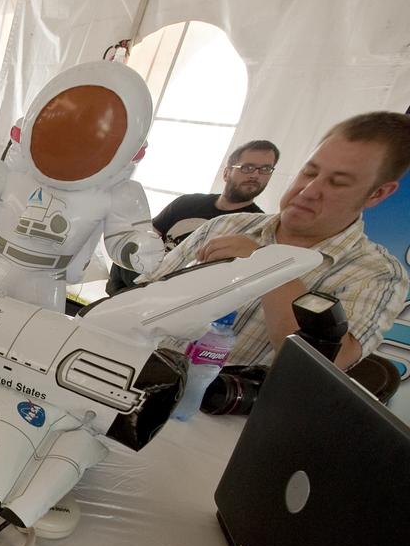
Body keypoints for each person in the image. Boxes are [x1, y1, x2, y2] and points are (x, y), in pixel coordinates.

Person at [144, 112, 410, 370]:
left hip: (219, 410)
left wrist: (265, 265)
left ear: (377, 194)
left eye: (337, 183)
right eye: (309, 172)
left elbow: (319, 363)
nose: (308, 191)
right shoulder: (227, 225)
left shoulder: (378, 275)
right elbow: (142, 297)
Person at [107, 139, 279, 294]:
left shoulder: (256, 227)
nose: (256, 175)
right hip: (143, 276)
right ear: (226, 173)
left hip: (181, 291)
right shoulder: (188, 203)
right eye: (247, 167)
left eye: (265, 169)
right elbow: (144, 237)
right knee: (130, 247)